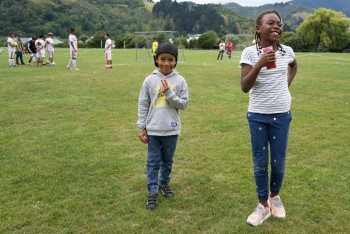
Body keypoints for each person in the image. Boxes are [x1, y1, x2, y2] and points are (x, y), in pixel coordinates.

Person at [239, 10, 298, 226]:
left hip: (282, 115)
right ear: (258, 28)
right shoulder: (249, 52)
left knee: (279, 162)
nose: (277, 27)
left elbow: (293, 65)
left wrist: (286, 85)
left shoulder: (287, 51)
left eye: (279, 24)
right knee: (260, 163)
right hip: (258, 116)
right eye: (271, 23)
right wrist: (259, 63)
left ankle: (275, 197)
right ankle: (263, 205)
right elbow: (244, 86)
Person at [137, 42, 189, 210]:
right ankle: (152, 191)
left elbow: (183, 104)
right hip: (153, 129)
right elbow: (143, 104)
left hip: (171, 129)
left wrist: (169, 94)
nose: (166, 63)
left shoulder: (180, 81)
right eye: (162, 59)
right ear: (156, 60)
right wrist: (142, 126)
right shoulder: (150, 80)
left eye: (170, 59)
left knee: (167, 160)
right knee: (153, 162)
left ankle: (164, 184)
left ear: (175, 61)